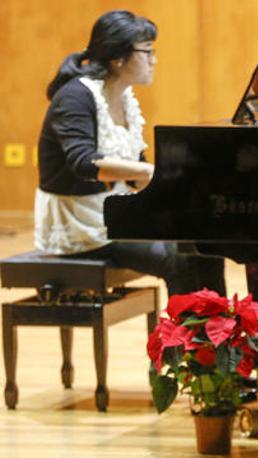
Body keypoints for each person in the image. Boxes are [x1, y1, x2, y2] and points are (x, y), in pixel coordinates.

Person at [36, 10, 225, 296]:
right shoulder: (75, 97)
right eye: (147, 51)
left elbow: (136, 172)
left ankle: (220, 337)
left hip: (115, 211)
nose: (154, 60)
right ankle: (182, 341)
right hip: (80, 224)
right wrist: (152, 174)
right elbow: (83, 163)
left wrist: (185, 187)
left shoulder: (123, 96)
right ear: (118, 58)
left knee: (207, 242)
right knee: (178, 259)